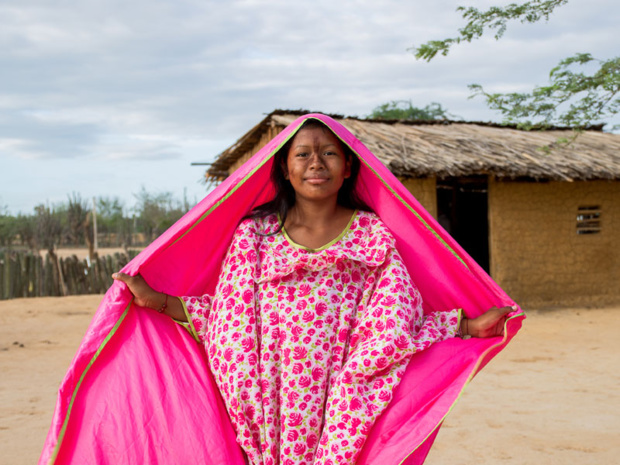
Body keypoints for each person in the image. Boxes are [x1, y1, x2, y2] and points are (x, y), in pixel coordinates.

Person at [113, 119, 513, 465]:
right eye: (302, 154)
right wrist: (159, 301)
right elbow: (229, 323)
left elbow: (393, 324)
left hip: (341, 400)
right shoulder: (255, 237)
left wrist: (464, 325)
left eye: (329, 154)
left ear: (348, 168)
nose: (316, 163)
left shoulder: (371, 236)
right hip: (268, 406)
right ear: (285, 169)